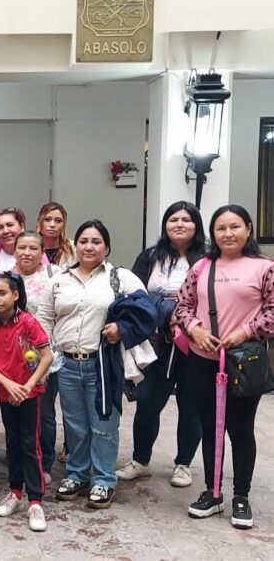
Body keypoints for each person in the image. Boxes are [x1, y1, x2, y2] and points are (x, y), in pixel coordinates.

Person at [175, 204, 274, 530]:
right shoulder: (202, 266)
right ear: (213, 233)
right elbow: (183, 305)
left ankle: (241, 495)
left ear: (248, 229)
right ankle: (212, 491)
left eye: (235, 227)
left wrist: (244, 332)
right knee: (210, 426)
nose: (228, 233)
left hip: (243, 361)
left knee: (240, 429)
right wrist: (196, 331)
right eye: (221, 228)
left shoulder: (265, 268)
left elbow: (272, 312)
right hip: (203, 360)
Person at [36, 220, 145, 510]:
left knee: (104, 423)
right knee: (74, 424)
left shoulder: (120, 278)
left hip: (103, 365)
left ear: (106, 247)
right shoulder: (59, 280)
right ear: (76, 245)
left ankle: (105, 479)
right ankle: (77, 474)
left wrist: (122, 329)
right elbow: (44, 317)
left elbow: (145, 311)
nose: (89, 247)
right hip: (67, 365)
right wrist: (49, 352)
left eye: (96, 241)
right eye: (83, 241)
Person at [117, 201, 205, 488]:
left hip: (195, 343)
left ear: (196, 225)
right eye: (173, 219)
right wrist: (165, 311)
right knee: (147, 402)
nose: (179, 224)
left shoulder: (208, 258)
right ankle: (140, 461)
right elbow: (134, 295)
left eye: (186, 220)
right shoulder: (151, 256)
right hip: (157, 343)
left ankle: (183, 464)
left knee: (191, 405)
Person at [0, 272, 52, 531]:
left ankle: (35, 502)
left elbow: (47, 357)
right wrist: (7, 384)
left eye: (3, 293)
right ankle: (15, 493)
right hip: (6, 394)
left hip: (29, 394)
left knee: (30, 444)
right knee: (12, 443)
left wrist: (27, 386)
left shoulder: (29, 321)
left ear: (16, 295)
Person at [13, 231, 61, 485]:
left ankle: (45, 463)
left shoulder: (54, 275)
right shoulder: (6, 277)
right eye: (22, 247)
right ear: (14, 250)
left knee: (45, 413)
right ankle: (19, 461)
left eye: (33, 248)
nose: (27, 253)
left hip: (45, 354)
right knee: (16, 411)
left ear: (42, 252)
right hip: (12, 355)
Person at [36, 202, 77, 268]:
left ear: (64, 224)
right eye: (47, 220)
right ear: (39, 222)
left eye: (58, 221)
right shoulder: (31, 248)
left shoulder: (73, 248)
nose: (52, 225)